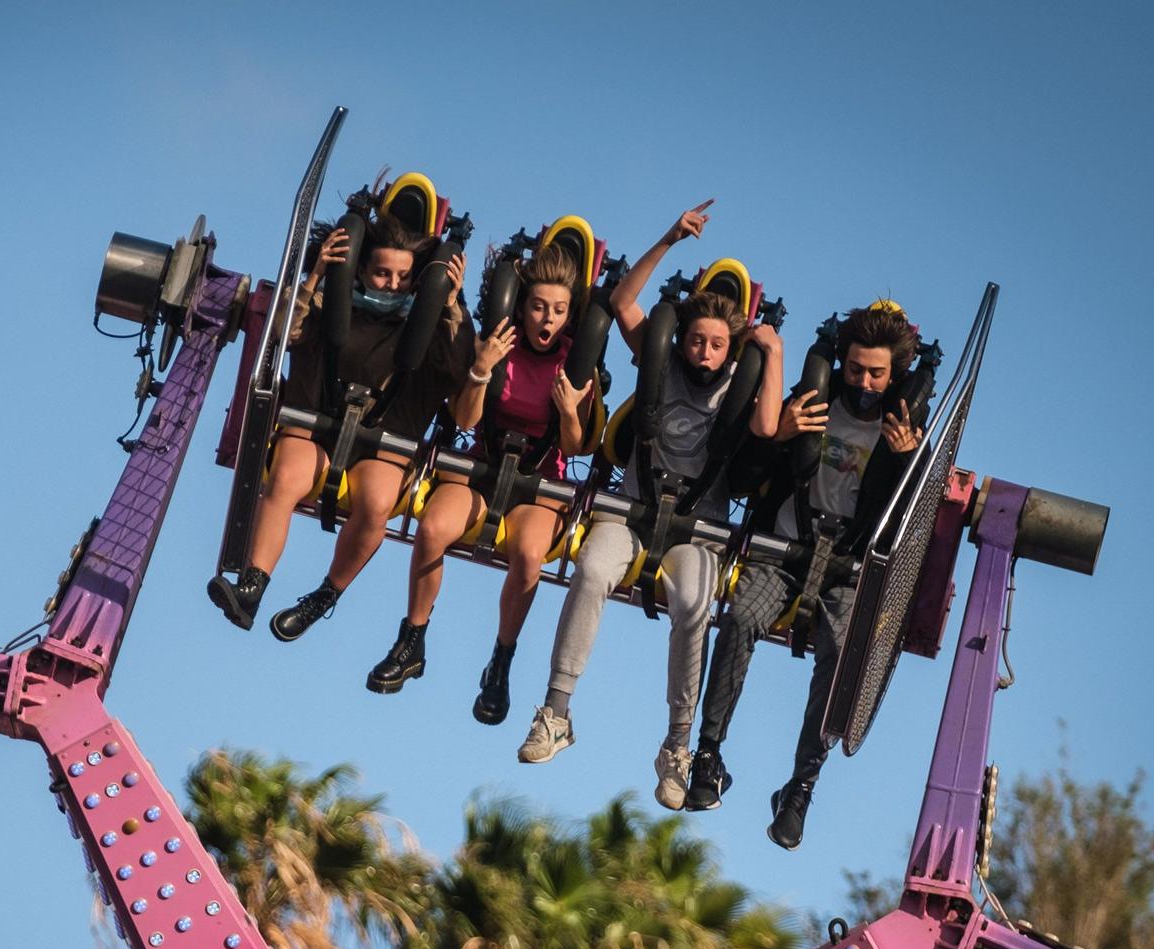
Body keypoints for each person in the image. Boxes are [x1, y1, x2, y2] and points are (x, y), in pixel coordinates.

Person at [515, 200, 784, 816]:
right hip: (633, 509)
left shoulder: (741, 376)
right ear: (683, 338)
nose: (706, 353)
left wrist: (772, 351)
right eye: (697, 340)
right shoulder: (658, 361)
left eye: (719, 344)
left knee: (693, 603)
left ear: (731, 346)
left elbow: (768, 423)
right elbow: (622, 303)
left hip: (698, 527)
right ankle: (555, 713)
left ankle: (677, 747)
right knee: (588, 572)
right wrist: (668, 238)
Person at [682, 303, 926, 847]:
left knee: (841, 654)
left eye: (877, 374)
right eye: (857, 369)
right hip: (786, 550)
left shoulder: (905, 433)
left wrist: (907, 464)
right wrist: (778, 436)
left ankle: (801, 786)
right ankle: (709, 752)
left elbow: (911, 527)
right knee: (741, 618)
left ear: (894, 376)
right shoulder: (809, 403)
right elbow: (744, 480)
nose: (864, 382)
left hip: (848, 567)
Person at [206, 212, 472, 635]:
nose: (392, 284)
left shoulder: (427, 324)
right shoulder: (332, 303)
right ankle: (251, 587)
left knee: (376, 504)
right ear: (362, 270)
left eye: (403, 276)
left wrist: (451, 304)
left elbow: (457, 368)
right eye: (381, 273)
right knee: (288, 476)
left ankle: (324, 595)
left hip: (384, 441)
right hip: (316, 424)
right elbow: (283, 333)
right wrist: (315, 278)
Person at [365, 243, 592, 711]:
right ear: (522, 306)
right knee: (432, 528)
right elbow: (466, 420)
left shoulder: (573, 361)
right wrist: (481, 370)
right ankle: (412, 641)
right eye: (538, 307)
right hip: (483, 465)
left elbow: (572, 446)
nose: (546, 320)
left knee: (530, 556)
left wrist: (569, 410)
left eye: (558, 311)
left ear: (570, 316)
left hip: (540, 478)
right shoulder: (496, 342)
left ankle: (500, 662)